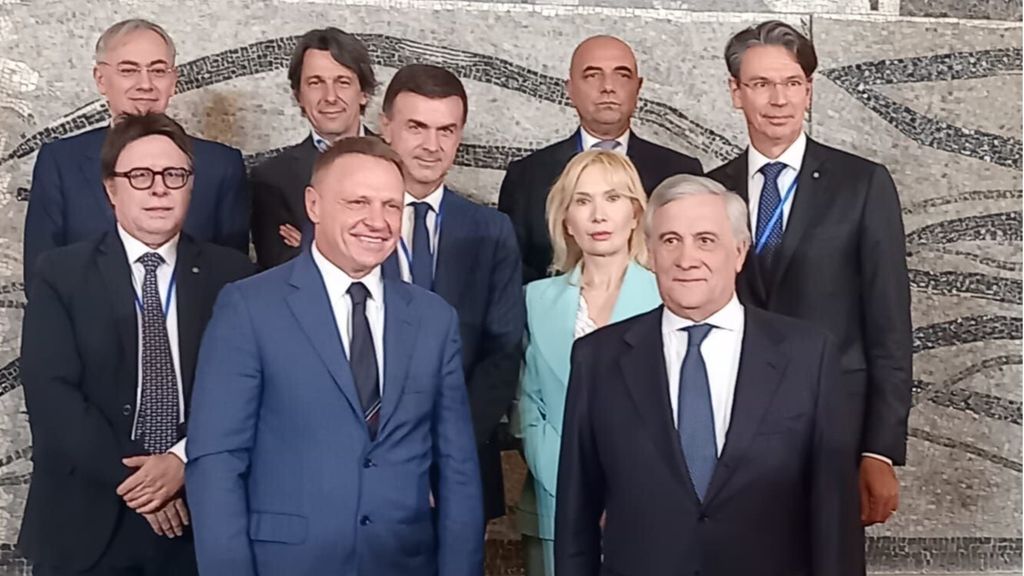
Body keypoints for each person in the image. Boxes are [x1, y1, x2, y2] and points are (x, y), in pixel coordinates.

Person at [185, 137, 484, 576]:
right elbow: (217, 461)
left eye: (391, 205)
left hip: (403, 562)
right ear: (314, 204)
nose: (377, 221)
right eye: (357, 202)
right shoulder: (249, 307)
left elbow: (458, 467)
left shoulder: (434, 319)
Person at [554, 175, 861, 576]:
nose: (686, 259)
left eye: (705, 240)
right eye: (670, 241)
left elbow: (835, 517)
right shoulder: (598, 358)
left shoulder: (807, 355)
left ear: (739, 252)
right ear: (650, 253)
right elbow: (576, 514)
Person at [18, 113, 255, 576]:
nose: (159, 189)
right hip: (85, 518)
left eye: (174, 175)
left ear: (191, 186)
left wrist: (180, 461)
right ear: (112, 189)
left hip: (196, 515)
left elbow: (245, 393)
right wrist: (142, 483)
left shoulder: (234, 277)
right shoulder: (61, 274)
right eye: (141, 176)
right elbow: (51, 394)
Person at [707, 20, 912, 533]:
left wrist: (879, 449)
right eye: (761, 84)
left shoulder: (862, 184)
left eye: (792, 83)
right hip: (728, 433)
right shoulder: (710, 191)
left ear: (809, 90)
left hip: (834, 433)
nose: (779, 99)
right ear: (736, 92)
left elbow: (889, 325)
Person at [378, 63, 525, 524]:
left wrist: (445, 450)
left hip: (459, 466)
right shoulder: (351, 224)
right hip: (363, 464)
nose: (432, 145)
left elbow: (501, 355)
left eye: (446, 130)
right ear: (386, 127)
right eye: (416, 127)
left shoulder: (492, 231)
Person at [23, 19, 249, 293]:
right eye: (128, 70)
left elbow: (235, 282)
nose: (145, 84)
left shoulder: (220, 166)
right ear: (101, 79)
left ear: (173, 81)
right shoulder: (60, 162)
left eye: (158, 70)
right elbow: (40, 279)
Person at [516, 149, 661, 576]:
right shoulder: (536, 300)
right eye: (582, 201)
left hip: (648, 510)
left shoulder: (667, 297)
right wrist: (574, 491)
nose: (598, 215)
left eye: (613, 198)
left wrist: (621, 496)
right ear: (566, 220)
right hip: (554, 505)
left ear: (635, 214)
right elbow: (528, 410)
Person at [498, 35, 703, 283]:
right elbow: (514, 272)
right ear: (570, 89)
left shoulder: (680, 173)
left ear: (638, 87)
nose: (608, 87)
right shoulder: (526, 176)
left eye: (622, 75)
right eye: (592, 75)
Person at [250, 27, 378, 269]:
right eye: (316, 83)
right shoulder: (272, 179)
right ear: (299, 95)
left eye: (342, 82)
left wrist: (311, 245)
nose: (330, 97)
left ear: (364, 93)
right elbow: (280, 269)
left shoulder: (397, 162)